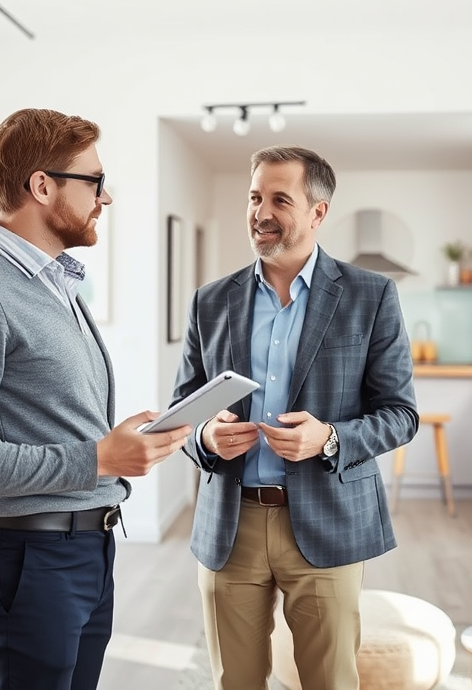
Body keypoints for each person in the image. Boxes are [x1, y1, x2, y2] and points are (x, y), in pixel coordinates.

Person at [0, 107, 189, 690]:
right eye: (93, 181)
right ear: (42, 186)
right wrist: (99, 458)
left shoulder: (56, 282)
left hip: (83, 548)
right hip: (24, 560)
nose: (105, 197)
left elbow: (51, 421)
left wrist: (116, 449)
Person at [171, 145, 418, 690]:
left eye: (280, 199)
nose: (261, 212)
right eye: (255, 197)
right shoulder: (209, 302)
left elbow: (401, 415)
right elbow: (181, 413)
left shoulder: (371, 296)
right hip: (228, 527)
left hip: (328, 522)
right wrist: (206, 436)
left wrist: (329, 437)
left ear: (317, 213)